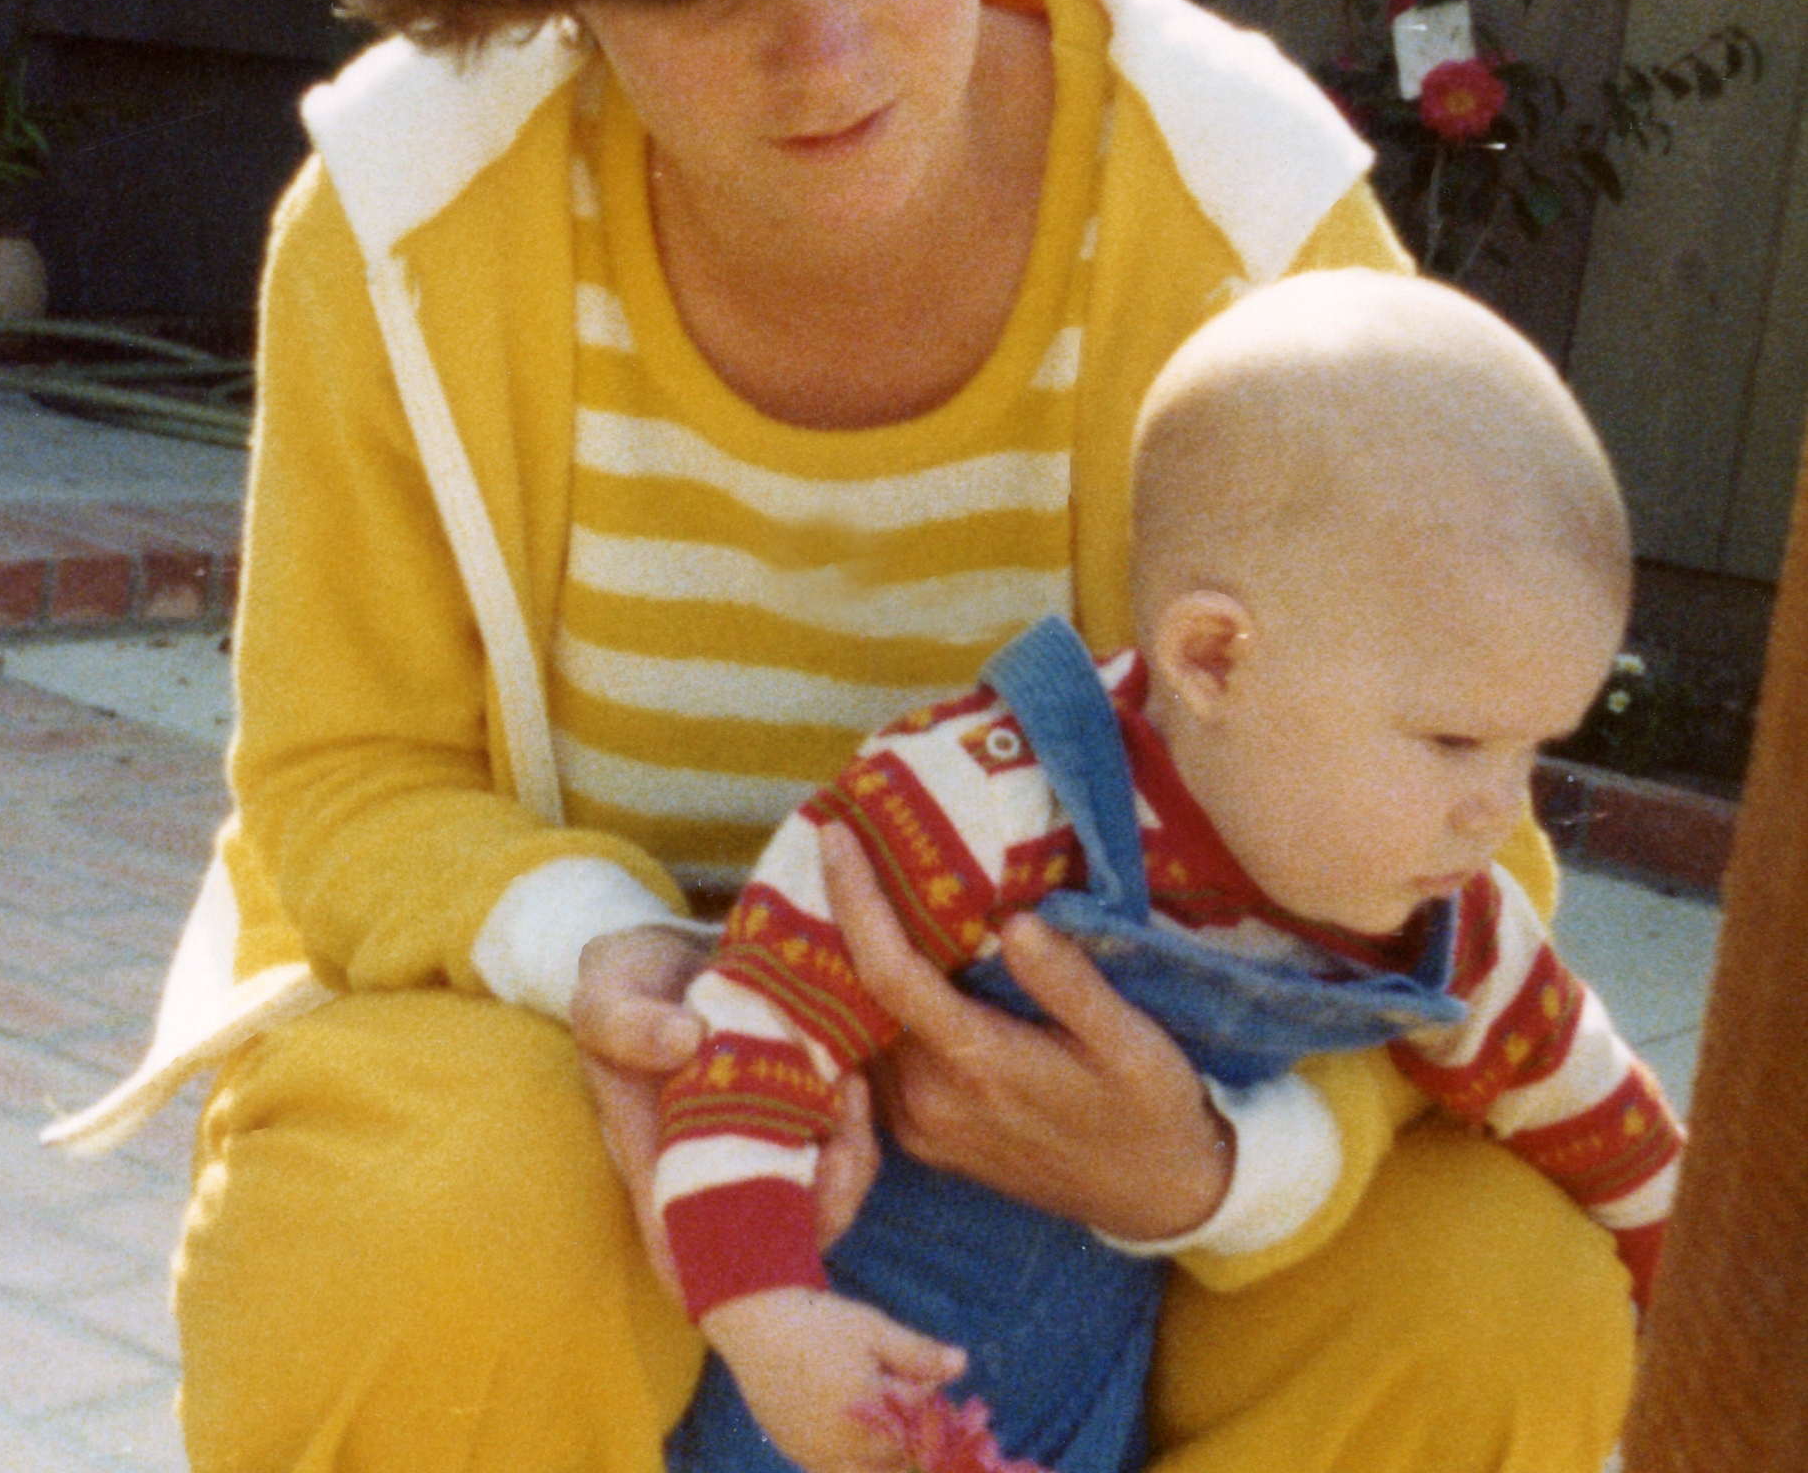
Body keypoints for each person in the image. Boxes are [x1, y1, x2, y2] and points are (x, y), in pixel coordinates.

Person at [41, 0, 1640, 1466]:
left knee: (1492, 1294)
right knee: (410, 1213)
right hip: (578, 1081)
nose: (823, 55)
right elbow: (341, 772)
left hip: (1130, 1121)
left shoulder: (1245, 224)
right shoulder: (399, 220)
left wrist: (1210, 1165)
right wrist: (608, 963)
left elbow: (1451, 838)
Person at [658, 271, 1682, 1473]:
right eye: (1454, 741)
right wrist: (765, 1310)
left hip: (1083, 1414)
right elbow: (756, 1025)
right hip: (837, 1380)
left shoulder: (1440, 918)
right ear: (1212, 659)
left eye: (1531, 748)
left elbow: (1597, 1114)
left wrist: (1707, 1301)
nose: (1497, 808)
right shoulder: (987, 801)